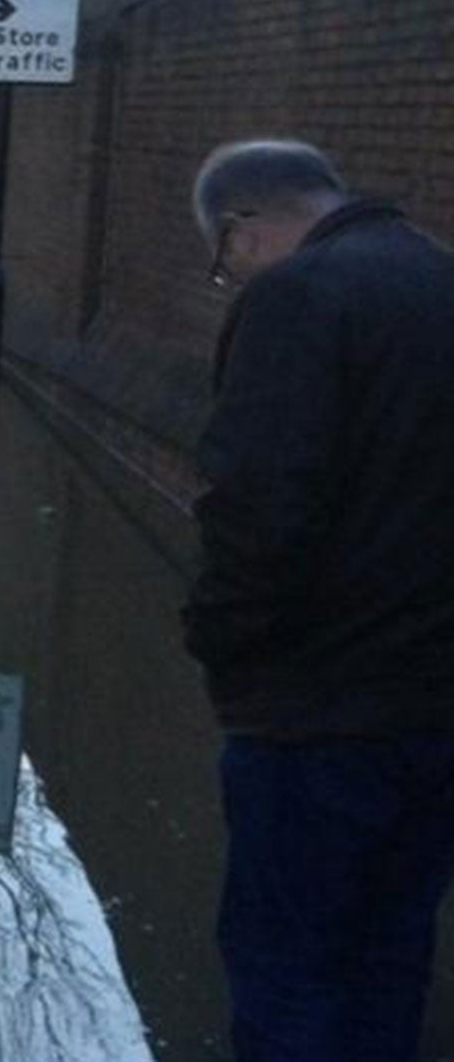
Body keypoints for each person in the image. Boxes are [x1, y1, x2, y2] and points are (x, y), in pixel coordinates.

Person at [188, 138, 454, 1062]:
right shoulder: (436, 275)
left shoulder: (296, 299)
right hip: (435, 714)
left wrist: (221, 649)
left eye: (223, 264)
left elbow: (255, 508)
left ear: (242, 228)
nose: (231, 279)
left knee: (286, 970)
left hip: (315, 716)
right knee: (391, 955)